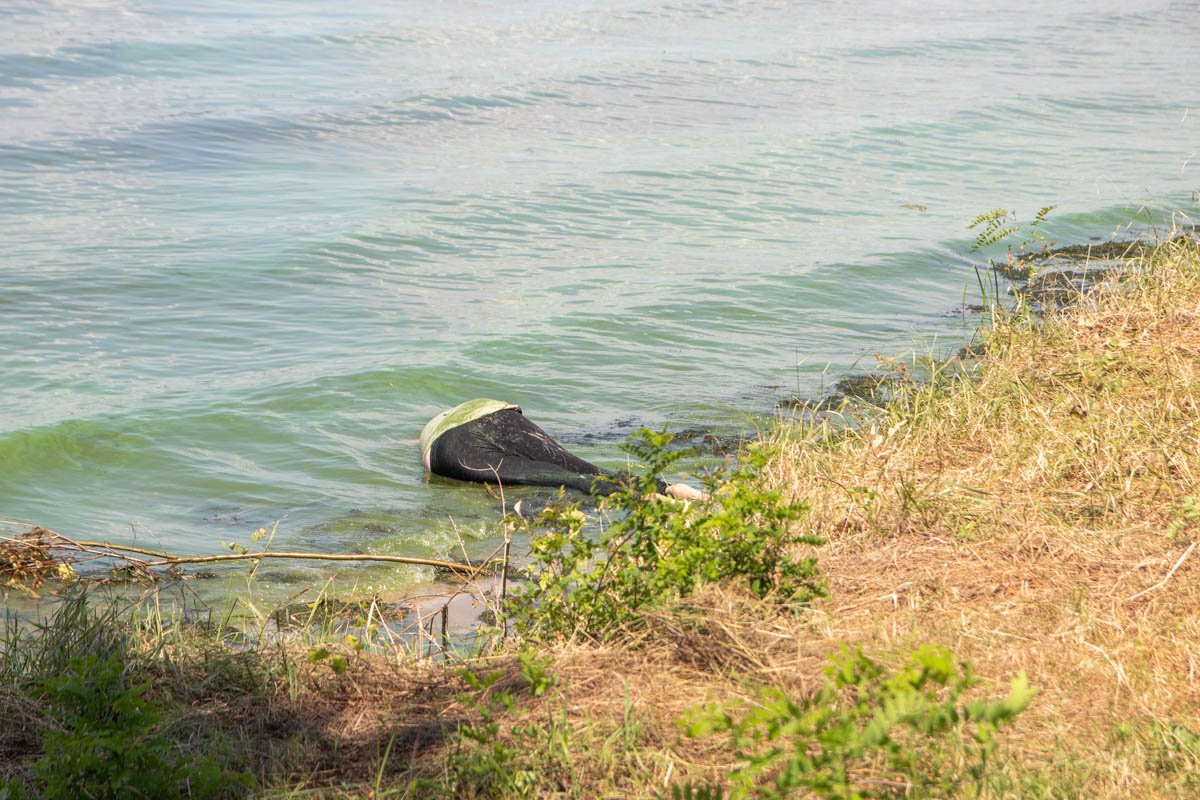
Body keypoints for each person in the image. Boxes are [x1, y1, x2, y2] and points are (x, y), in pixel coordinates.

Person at [420, 399, 705, 500]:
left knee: (564, 478)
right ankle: (667, 488)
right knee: (581, 467)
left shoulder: (434, 432)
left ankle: (651, 500)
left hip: (450, 442)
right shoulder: (453, 413)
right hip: (498, 411)